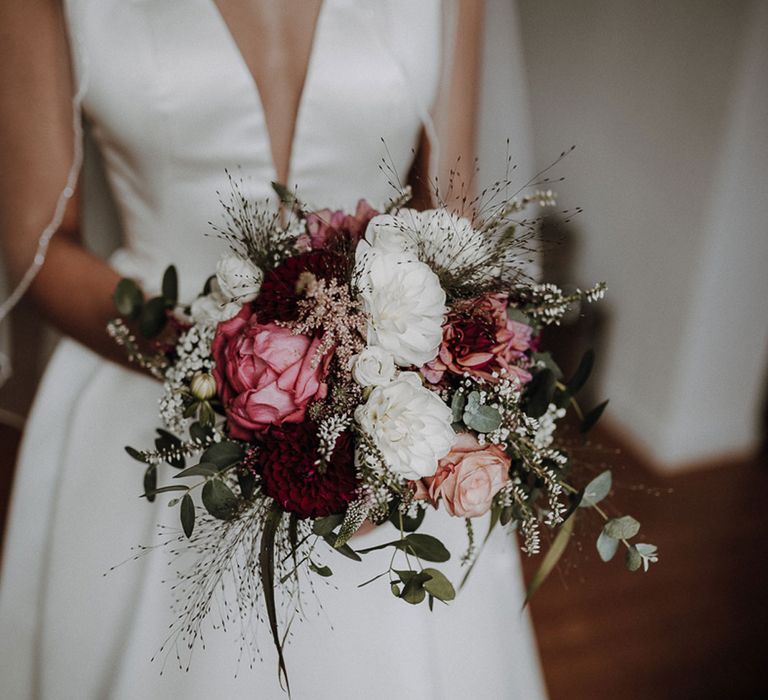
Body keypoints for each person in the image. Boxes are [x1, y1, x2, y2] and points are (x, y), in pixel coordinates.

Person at [0, 1, 547, 697]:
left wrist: (390, 378)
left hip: (382, 407)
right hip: (148, 393)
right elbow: (37, 246)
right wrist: (239, 368)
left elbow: (450, 219)